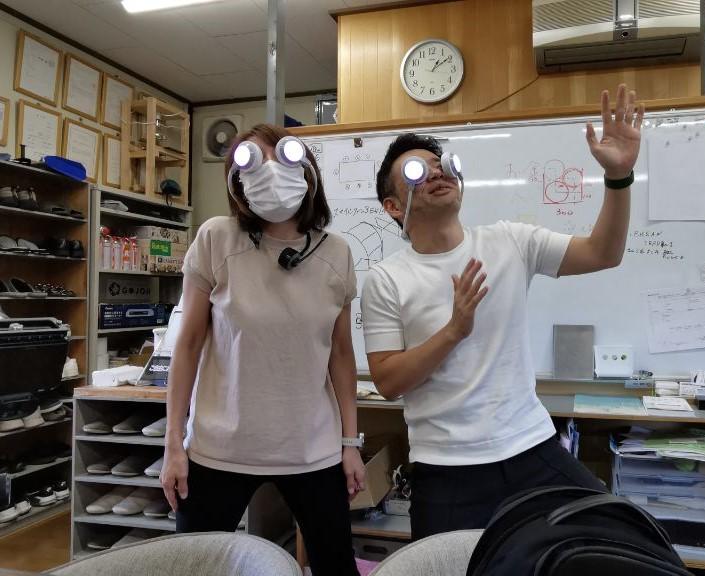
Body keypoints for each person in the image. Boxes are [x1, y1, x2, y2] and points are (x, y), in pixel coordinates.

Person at [361, 85, 644, 540]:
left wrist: (618, 177)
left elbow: (603, 252)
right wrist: (453, 331)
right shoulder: (386, 279)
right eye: (416, 171)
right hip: (446, 465)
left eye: (440, 163)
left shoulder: (510, 241)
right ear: (393, 206)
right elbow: (388, 381)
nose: (436, 172)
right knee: (446, 567)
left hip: (530, 446)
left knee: (617, 535)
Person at [160, 123, 364, 576]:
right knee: (193, 568)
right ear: (237, 180)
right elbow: (187, 345)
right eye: (254, 160)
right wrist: (173, 443)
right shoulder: (216, 238)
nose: (270, 171)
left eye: (282, 157)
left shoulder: (336, 253)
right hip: (219, 446)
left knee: (335, 567)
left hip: (313, 448)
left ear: (307, 170)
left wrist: (351, 444)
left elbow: (341, 355)